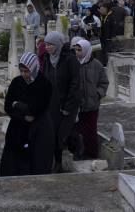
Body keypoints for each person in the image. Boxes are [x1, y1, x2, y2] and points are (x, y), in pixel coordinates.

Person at [0, 52, 54, 176]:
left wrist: (17, 104)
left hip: (38, 129)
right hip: (17, 128)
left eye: (27, 71)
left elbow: (36, 108)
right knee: (13, 165)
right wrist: (22, 115)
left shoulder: (44, 83)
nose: (24, 74)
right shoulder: (16, 82)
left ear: (34, 68)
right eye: (22, 70)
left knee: (37, 163)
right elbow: (8, 106)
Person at [42, 31, 82, 173]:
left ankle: (77, 156)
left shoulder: (69, 60)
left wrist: (68, 106)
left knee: (65, 133)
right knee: (54, 134)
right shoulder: (47, 59)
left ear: (58, 45)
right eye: (46, 44)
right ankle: (57, 162)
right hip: (52, 104)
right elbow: (44, 81)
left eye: (50, 45)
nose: (47, 47)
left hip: (68, 104)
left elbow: (75, 84)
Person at [73, 40, 108, 159]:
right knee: (76, 132)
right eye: (76, 50)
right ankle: (77, 153)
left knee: (91, 132)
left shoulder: (97, 65)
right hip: (77, 106)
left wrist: (97, 94)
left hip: (92, 106)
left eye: (80, 50)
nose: (77, 53)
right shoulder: (73, 64)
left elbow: (104, 82)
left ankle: (92, 155)